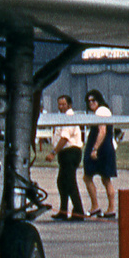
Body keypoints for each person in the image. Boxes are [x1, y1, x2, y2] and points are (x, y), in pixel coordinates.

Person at [46, 95, 86, 220]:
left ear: (69, 105)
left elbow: (65, 138)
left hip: (70, 152)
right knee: (62, 182)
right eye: (59, 104)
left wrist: (53, 152)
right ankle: (63, 211)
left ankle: (79, 212)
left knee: (70, 182)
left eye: (63, 104)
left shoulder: (69, 117)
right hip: (65, 153)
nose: (61, 107)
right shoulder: (62, 117)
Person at [82, 90, 117, 219]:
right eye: (89, 101)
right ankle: (99, 207)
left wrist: (95, 149)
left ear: (99, 100)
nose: (91, 103)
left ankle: (106, 207)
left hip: (101, 148)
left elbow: (102, 131)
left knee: (100, 178)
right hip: (104, 146)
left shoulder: (101, 111)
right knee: (100, 178)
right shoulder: (101, 111)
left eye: (93, 100)